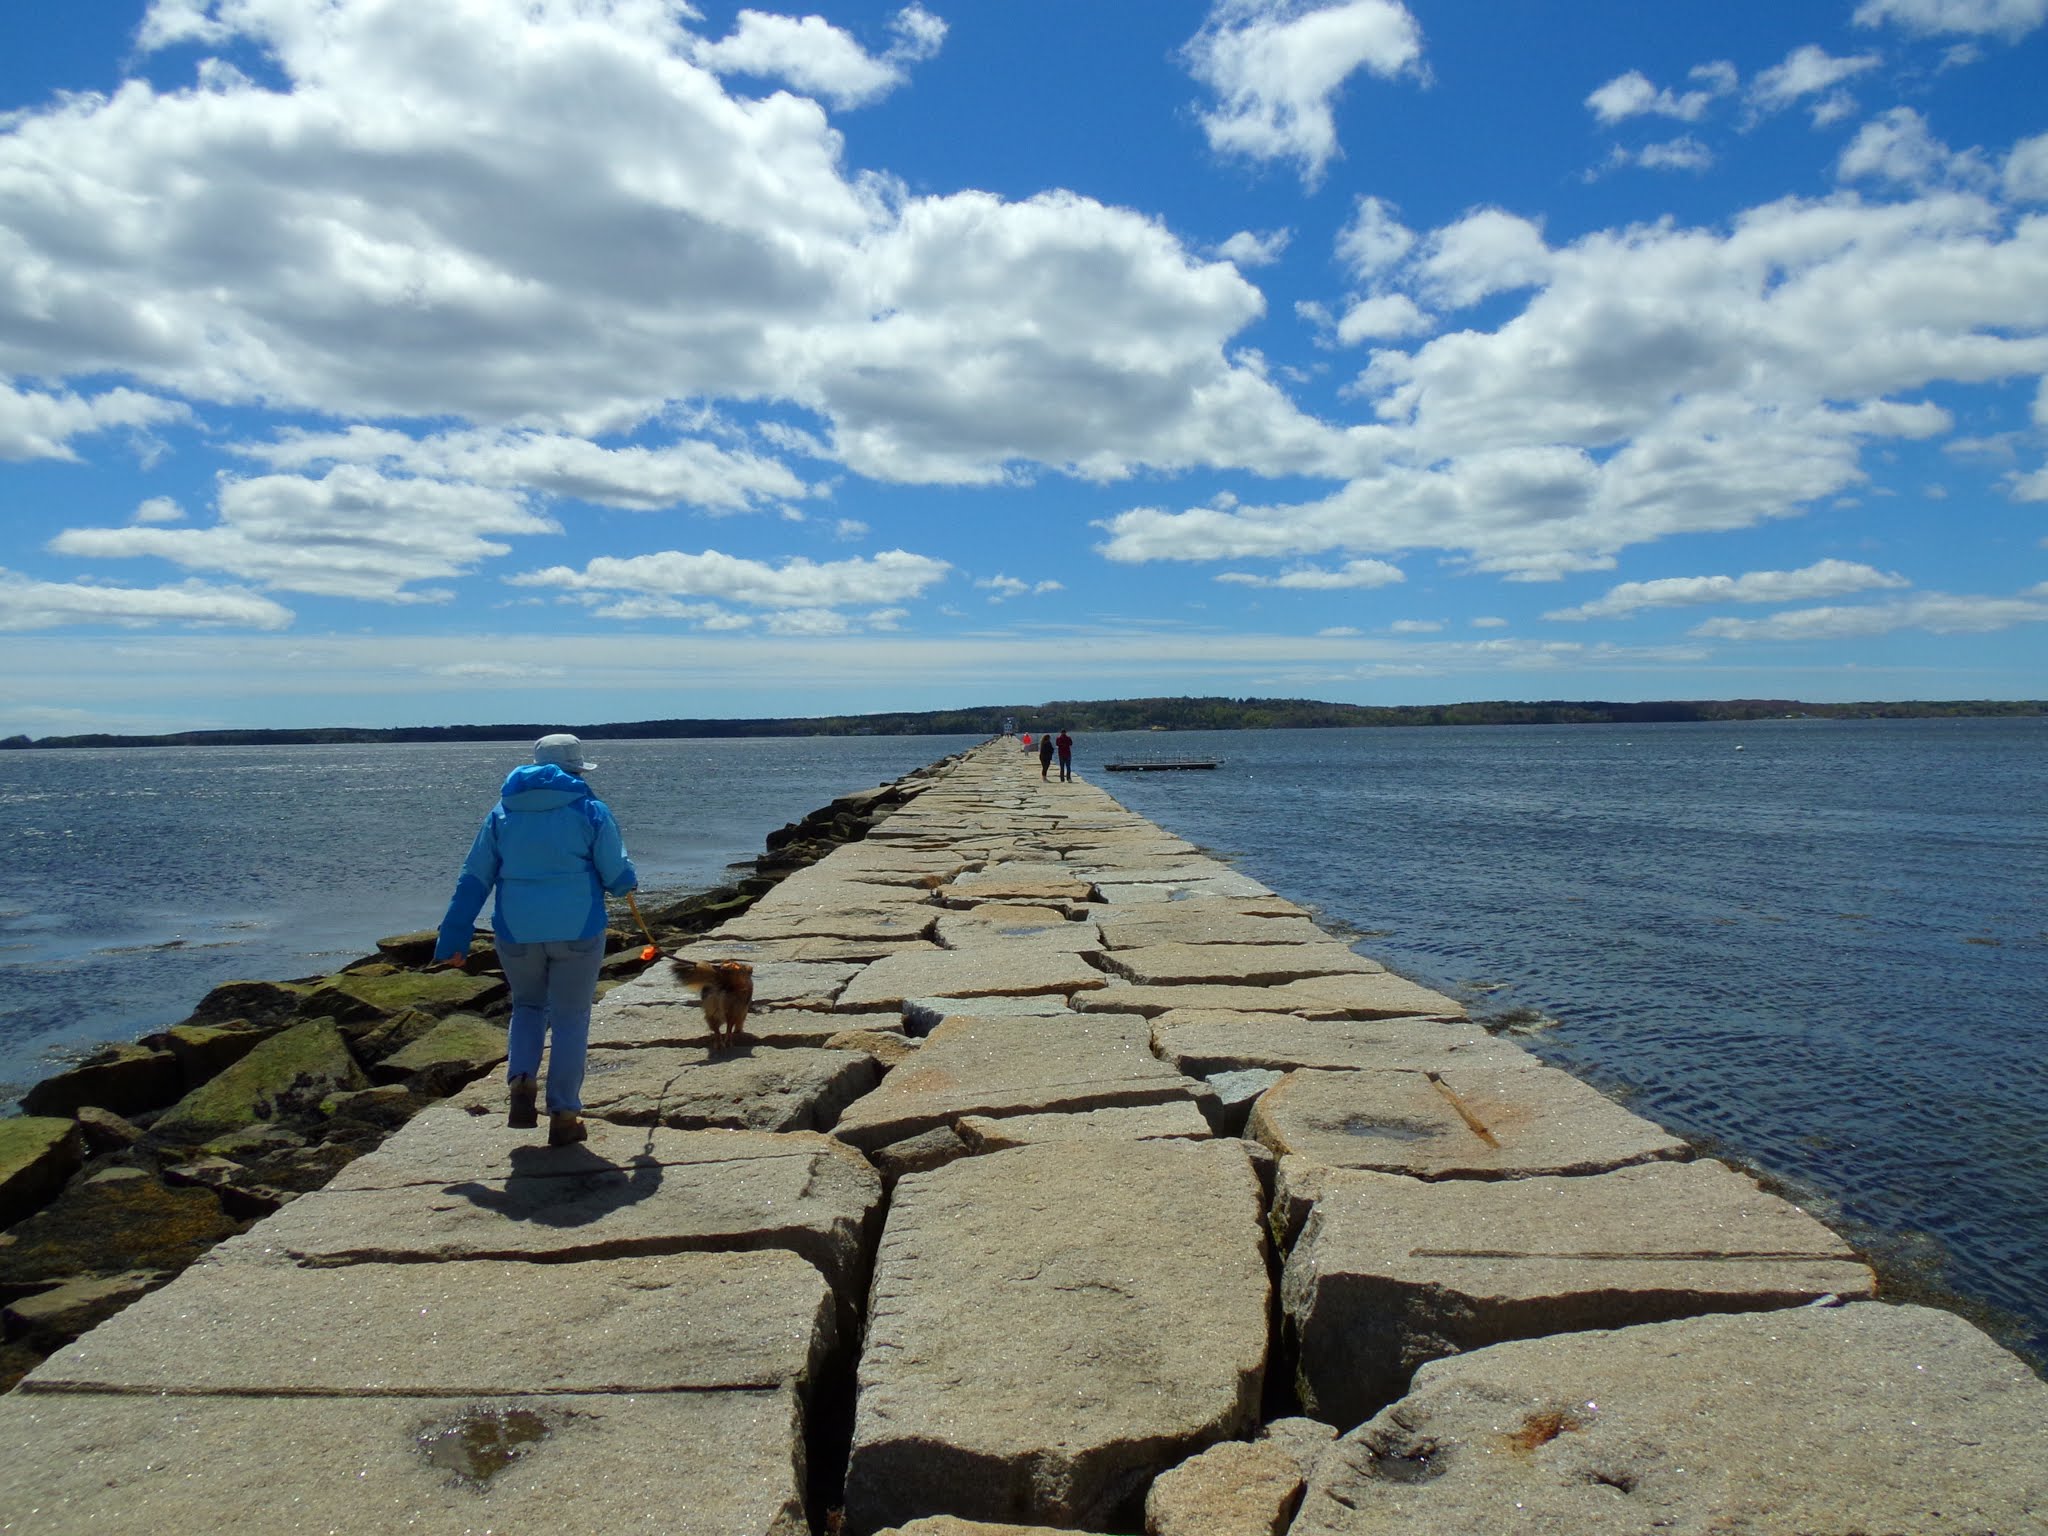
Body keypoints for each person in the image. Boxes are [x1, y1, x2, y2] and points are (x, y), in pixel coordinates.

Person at [433, 733, 638, 1147]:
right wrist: (626, 880)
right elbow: (617, 877)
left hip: (516, 930)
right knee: (570, 1017)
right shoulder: (591, 811)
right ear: (576, 771)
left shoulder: (501, 813)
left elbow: (473, 878)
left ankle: (522, 1083)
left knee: (527, 1006)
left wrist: (454, 933)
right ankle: (563, 1113)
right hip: (578, 929)